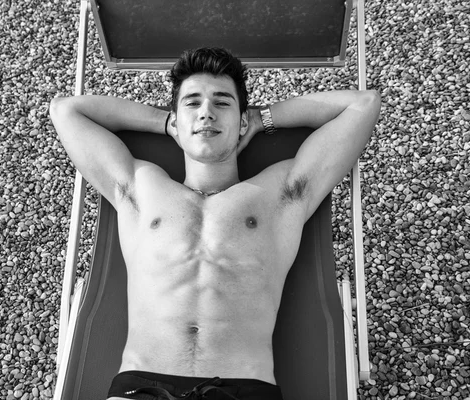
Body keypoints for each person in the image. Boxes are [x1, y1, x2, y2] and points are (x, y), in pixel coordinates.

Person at [49, 47, 380, 400]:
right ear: (176, 119)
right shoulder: (141, 189)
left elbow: (363, 104)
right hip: (140, 387)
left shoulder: (279, 195)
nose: (206, 113)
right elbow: (66, 110)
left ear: (241, 121)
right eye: (192, 103)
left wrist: (262, 118)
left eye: (222, 103)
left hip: (243, 389)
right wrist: (164, 123)